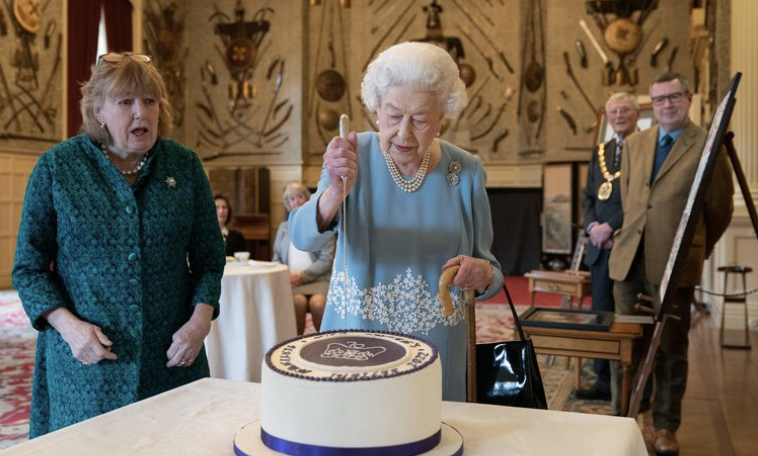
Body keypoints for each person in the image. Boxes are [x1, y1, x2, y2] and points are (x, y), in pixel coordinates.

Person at [12, 52, 225, 437]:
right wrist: (69, 327)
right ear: (98, 112)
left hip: (171, 361)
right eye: (125, 102)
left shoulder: (184, 166)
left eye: (150, 101)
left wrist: (200, 322)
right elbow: (28, 268)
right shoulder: (58, 168)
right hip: (86, 368)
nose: (140, 113)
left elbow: (210, 259)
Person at [289, 41, 504, 402]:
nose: (404, 133)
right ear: (376, 109)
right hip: (356, 344)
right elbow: (301, 238)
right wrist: (334, 194)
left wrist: (481, 274)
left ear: (442, 119)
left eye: (420, 119)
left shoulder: (465, 170)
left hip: (438, 349)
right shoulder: (351, 153)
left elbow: (492, 272)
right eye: (393, 115)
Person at [608, 73, 734, 455]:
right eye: (659, 99)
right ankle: (624, 418)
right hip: (629, 262)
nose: (666, 105)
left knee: (670, 350)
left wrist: (697, 250)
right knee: (625, 347)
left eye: (673, 97)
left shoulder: (707, 147)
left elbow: (720, 211)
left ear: (689, 98)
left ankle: (665, 426)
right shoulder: (637, 143)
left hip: (673, 267)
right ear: (651, 102)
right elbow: (633, 202)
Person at [577, 92, 640, 402]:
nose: (618, 115)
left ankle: (632, 385)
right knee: (601, 314)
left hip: (629, 246)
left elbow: (641, 198)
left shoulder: (646, 149)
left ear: (636, 114)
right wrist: (593, 228)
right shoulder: (602, 151)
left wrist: (610, 227)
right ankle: (602, 382)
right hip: (600, 247)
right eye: (613, 111)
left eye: (625, 110)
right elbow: (588, 196)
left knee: (627, 318)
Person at [272, 182, 335, 335]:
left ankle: (327, 343)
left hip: (319, 280)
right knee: (296, 303)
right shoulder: (283, 227)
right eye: (291, 199)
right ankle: (295, 345)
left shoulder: (322, 224)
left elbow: (326, 261)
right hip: (292, 283)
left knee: (318, 304)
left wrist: (300, 277)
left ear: (308, 199)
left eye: (300, 196)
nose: (296, 201)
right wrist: (286, 276)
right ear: (288, 205)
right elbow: (276, 258)